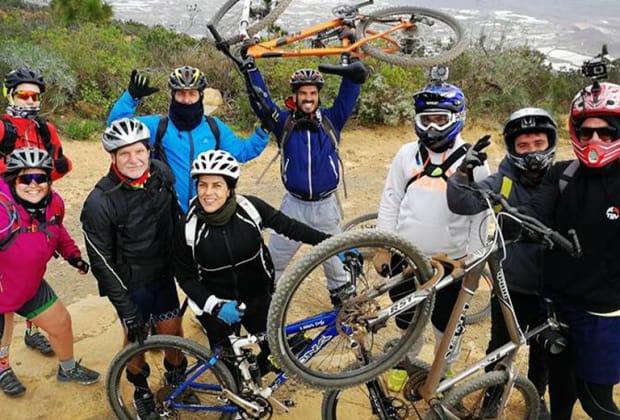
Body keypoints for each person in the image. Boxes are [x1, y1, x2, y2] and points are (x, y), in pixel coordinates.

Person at [174, 149, 332, 380]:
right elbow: (185, 276)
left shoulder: (250, 208)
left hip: (257, 298)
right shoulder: (188, 226)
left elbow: (290, 227)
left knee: (277, 355)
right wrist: (215, 306)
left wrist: (332, 243)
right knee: (231, 375)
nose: (208, 193)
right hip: (217, 307)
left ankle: (258, 369)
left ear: (229, 188)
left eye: (217, 185)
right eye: (202, 185)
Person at [446, 107, 559, 417]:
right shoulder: (503, 181)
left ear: (551, 143)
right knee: (500, 345)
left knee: (543, 351)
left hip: (552, 288)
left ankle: (537, 397)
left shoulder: (564, 181)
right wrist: (462, 173)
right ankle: (492, 397)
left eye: (538, 143)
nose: (532, 151)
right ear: (513, 148)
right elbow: (461, 202)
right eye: (523, 145)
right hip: (511, 285)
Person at [518, 82, 619, 419]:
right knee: (561, 390)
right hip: (557, 307)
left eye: (606, 132)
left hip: (603, 312)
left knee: (596, 401)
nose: (594, 140)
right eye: (586, 132)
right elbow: (534, 213)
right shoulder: (562, 175)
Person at [373, 81, 490, 362]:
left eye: (440, 120)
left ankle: (442, 375)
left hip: (453, 261)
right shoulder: (406, 154)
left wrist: (473, 263)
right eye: (426, 120)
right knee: (407, 320)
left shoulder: (474, 160)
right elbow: (391, 199)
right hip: (406, 257)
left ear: (457, 118)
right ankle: (405, 366)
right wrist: (382, 247)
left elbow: (481, 215)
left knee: (446, 325)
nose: (432, 128)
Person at [81, 118, 189, 419]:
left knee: (173, 333)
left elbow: (175, 217)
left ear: (148, 150)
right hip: (131, 283)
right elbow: (101, 264)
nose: (134, 160)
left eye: (139, 151)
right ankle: (141, 389)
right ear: (112, 157)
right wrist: (127, 310)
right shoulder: (99, 202)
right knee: (135, 341)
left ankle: (176, 380)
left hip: (163, 273)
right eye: (124, 153)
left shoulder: (161, 173)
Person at [239, 56, 368, 303]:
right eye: (303, 93)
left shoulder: (332, 119)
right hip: (293, 208)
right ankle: (261, 307)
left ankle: (344, 309)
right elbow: (261, 102)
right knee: (273, 263)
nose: (308, 98)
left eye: (312, 93)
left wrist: (353, 68)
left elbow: (348, 94)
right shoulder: (283, 122)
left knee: (336, 267)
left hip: (326, 207)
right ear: (295, 96)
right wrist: (251, 70)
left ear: (318, 96)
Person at [0, 147, 98, 397]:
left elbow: (57, 229)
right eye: (25, 178)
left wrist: (73, 256)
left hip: (29, 285)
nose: (34, 185)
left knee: (61, 323)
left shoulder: (54, 203)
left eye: (40, 177)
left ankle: (68, 370)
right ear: (13, 180)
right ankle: (3, 369)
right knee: (2, 335)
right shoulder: (3, 210)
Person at [107, 65, 269, 214]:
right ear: (173, 96)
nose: (186, 100)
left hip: (205, 210)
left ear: (201, 96)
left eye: (192, 94)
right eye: (181, 94)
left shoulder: (214, 127)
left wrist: (263, 132)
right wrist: (131, 97)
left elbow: (242, 152)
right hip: (167, 212)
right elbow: (117, 128)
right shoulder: (158, 126)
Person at [0, 65, 74, 360]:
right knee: (6, 292)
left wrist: (43, 178)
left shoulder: (45, 129)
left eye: (35, 96)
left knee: (35, 269)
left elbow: (59, 166)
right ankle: (3, 363)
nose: (30, 101)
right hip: (6, 214)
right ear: (9, 95)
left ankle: (33, 331)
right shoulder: (3, 128)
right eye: (23, 95)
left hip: (37, 209)